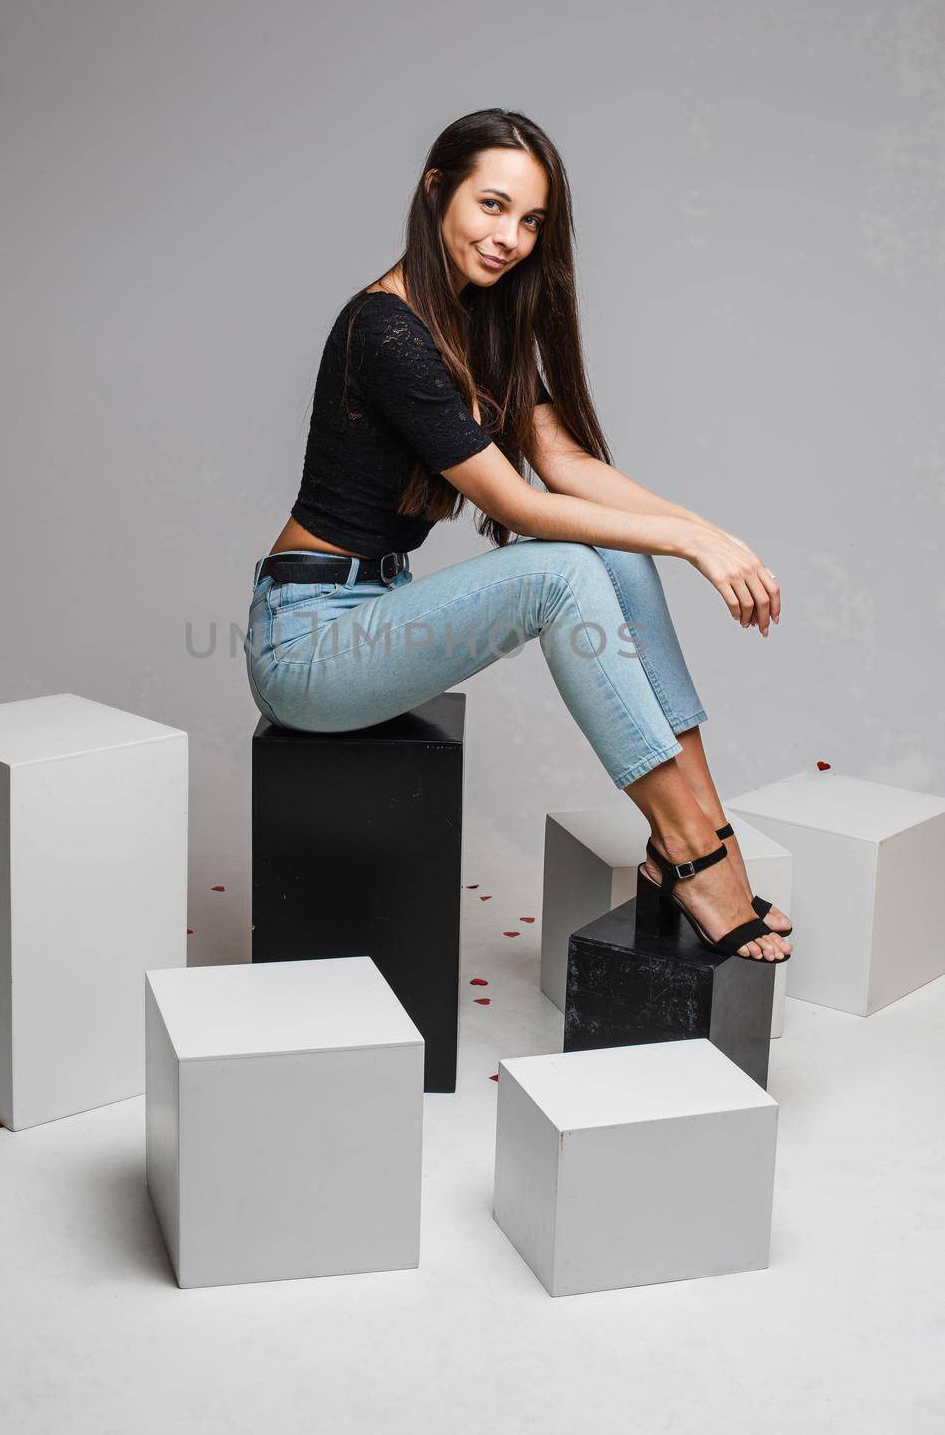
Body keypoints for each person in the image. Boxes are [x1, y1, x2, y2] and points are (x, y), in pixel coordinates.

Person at [245, 108, 792, 963]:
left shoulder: (480, 322)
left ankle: (700, 830)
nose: (510, 238)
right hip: (309, 646)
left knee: (611, 546)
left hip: (380, 612)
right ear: (436, 193)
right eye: (491, 206)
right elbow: (525, 505)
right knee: (559, 570)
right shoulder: (384, 330)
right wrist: (693, 550)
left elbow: (563, 464)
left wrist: (710, 532)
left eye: (530, 220)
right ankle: (690, 849)